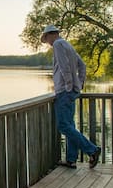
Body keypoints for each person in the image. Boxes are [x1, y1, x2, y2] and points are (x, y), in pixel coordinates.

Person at [41, 24, 102, 169]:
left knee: (63, 125)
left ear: (50, 35)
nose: (48, 43)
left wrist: (68, 85)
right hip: (71, 91)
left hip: (64, 91)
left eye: (47, 39)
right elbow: (83, 66)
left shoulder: (57, 44)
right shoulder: (68, 45)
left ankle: (92, 150)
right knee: (70, 125)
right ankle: (71, 159)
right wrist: (79, 83)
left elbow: (64, 67)